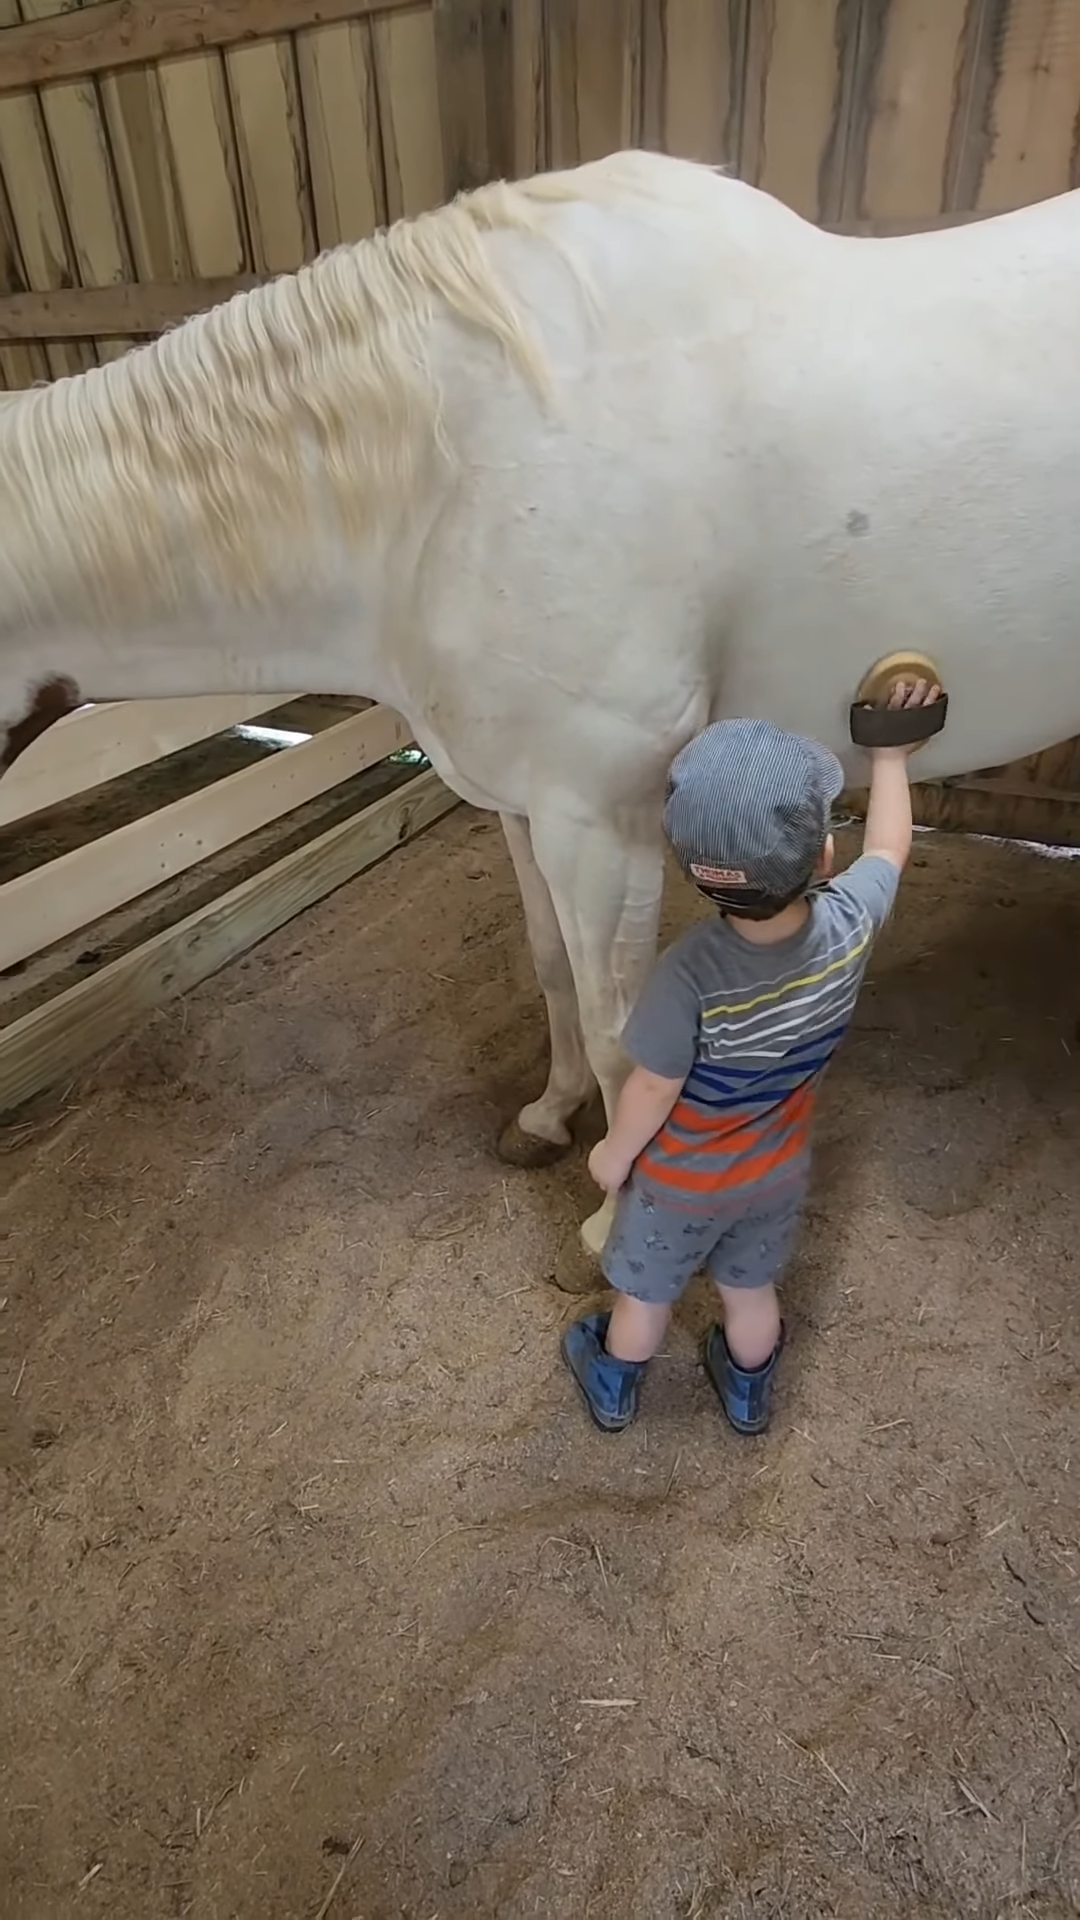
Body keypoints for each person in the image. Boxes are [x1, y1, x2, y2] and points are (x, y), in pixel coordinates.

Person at [561, 678, 943, 1437]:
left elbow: (654, 1085)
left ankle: (613, 1381)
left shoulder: (689, 971)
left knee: (646, 1300)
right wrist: (891, 754)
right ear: (825, 854)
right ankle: (744, 1392)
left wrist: (613, 1153)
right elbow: (893, 846)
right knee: (749, 1292)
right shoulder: (850, 922)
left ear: (693, 870)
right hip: (775, 1169)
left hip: (679, 1181)